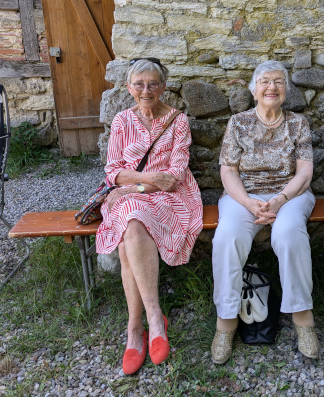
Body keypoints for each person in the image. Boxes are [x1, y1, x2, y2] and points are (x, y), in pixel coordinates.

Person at [95, 58, 203, 375]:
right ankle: (152, 319)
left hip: (172, 198)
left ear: (163, 86)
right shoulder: (121, 121)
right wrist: (136, 182)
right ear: (129, 88)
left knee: (130, 216)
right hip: (133, 199)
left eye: (153, 83)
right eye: (139, 84)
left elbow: (174, 176)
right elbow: (112, 172)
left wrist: (135, 183)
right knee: (131, 219)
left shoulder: (177, 121)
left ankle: (137, 327)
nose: (146, 90)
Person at [211, 60, 320, 364]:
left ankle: (303, 319)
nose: (272, 87)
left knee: (288, 234)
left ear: (286, 89)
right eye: (265, 82)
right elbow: (228, 171)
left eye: (278, 82)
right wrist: (248, 203)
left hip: (291, 193)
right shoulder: (238, 122)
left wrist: (280, 200)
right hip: (243, 195)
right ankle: (226, 322)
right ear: (253, 90)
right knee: (228, 237)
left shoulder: (298, 123)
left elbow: (305, 172)